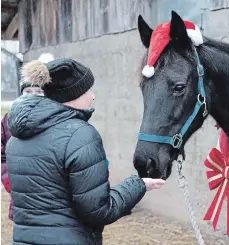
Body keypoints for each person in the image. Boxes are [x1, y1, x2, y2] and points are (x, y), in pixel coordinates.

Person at [6, 57, 165, 245]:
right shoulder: (80, 135)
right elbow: (99, 211)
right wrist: (138, 185)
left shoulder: (16, 137)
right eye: (87, 90)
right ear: (73, 94)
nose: (93, 96)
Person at [1, 53, 54, 221]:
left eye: (39, 91)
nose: (33, 95)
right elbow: (2, 155)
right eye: (28, 90)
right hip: (20, 197)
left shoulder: (57, 119)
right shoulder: (9, 120)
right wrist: (10, 181)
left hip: (52, 198)